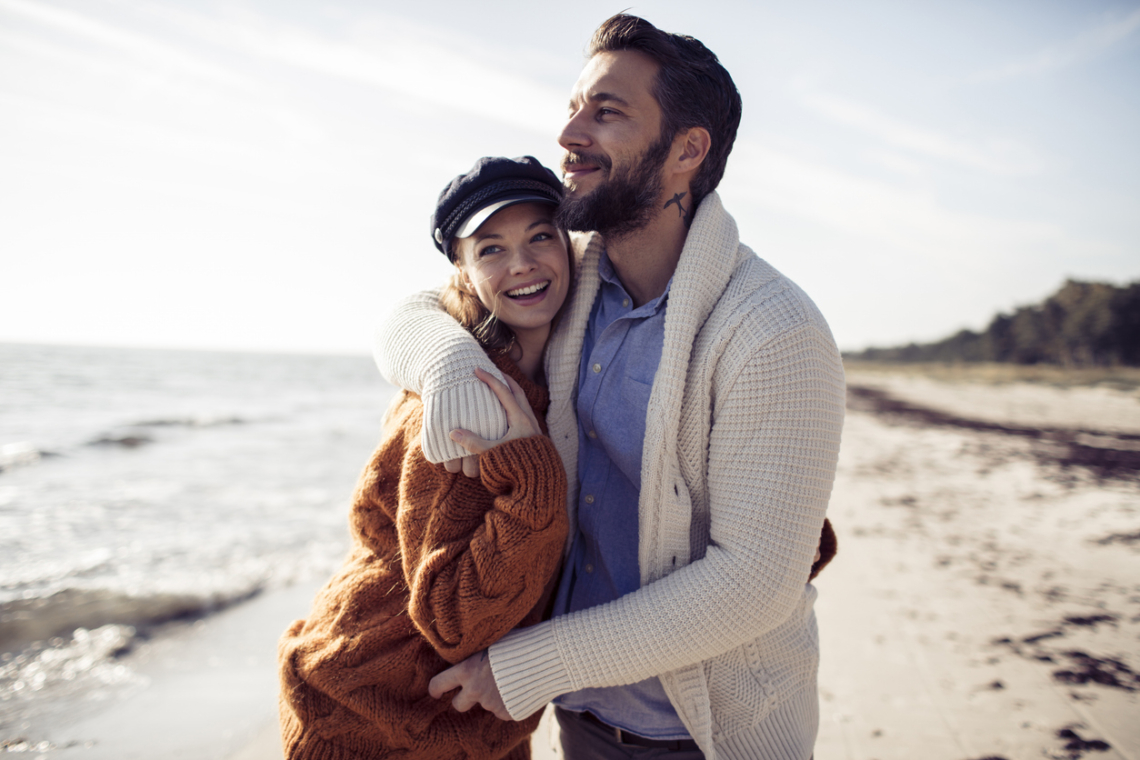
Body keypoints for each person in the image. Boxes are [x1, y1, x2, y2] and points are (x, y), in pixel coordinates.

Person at [373, 14, 845, 760]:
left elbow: (754, 583)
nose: (568, 136)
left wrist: (525, 667)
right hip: (581, 721)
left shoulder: (774, 331)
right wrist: (447, 368)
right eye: (571, 109)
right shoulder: (570, 278)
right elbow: (420, 307)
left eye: (607, 112)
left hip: (709, 734)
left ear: (689, 150)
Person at [277, 156, 573, 760]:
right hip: (367, 720)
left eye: (540, 235)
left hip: (474, 727)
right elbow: (454, 620)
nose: (522, 262)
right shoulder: (465, 408)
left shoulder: (556, 376)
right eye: (491, 248)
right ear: (461, 271)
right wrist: (531, 472)